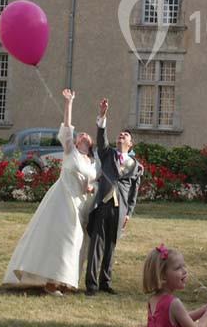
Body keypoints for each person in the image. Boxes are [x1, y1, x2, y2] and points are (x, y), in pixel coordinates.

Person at [3, 89, 98, 295]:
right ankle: (51, 283)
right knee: (60, 237)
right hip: (62, 200)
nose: (82, 135)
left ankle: (65, 280)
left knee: (75, 241)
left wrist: (90, 188)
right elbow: (66, 127)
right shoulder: (70, 151)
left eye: (86, 136)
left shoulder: (91, 162)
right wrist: (68, 103)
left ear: (89, 145)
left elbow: (92, 183)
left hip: (80, 203)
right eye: (80, 134)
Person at [84, 97, 144, 295]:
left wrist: (129, 213)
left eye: (125, 135)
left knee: (111, 245)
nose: (121, 136)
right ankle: (91, 286)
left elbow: (134, 191)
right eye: (119, 134)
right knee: (97, 245)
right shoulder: (107, 154)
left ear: (130, 143)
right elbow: (101, 138)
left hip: (121, 209)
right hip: (103, 204)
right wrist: (102, 115)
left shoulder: (136, 166)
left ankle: (105, 282)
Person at [142, 244, 207, 327]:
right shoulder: (174, 303)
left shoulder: (152, 300)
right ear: (163, 277)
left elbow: (182, 318)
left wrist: (204, 309)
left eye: (183, 266)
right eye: (178, 268)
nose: (184, 271)